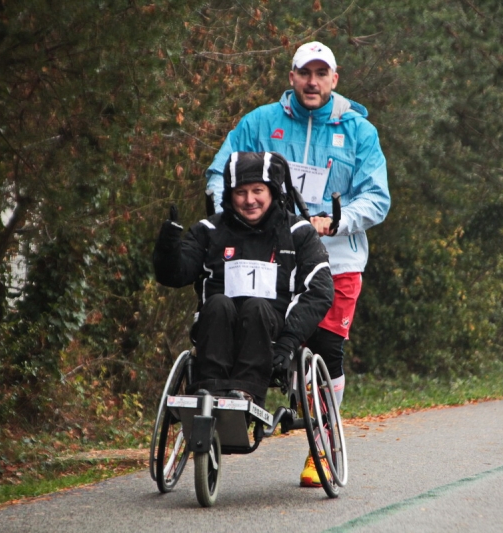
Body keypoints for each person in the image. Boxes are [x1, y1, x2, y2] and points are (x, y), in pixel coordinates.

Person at [205, 41, 390, 487]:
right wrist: (226, 219)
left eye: (321, 74)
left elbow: (377, 197)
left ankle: (320, 443)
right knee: (245, 322)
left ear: (334, 79)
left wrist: (337, 221)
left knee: (327, 348)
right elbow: (219, 173)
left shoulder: (359, 131)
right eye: (304, 73)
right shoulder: (260, 122)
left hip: (337, 256)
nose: (312, 81)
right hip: (267, 252)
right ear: (291, 77)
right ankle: (226, 405)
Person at [153, 151, 333, 409]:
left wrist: (289, 342)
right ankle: (209, 390)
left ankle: (245, 393)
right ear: (230, 194)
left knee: (256, 307)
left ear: (272, 191)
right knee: (218, 303)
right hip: (216, 327)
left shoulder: (298, 233)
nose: (249, 200)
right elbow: (174, 274)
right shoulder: (209, 230)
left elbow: (319, 291)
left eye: (257, 191)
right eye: (241, 192)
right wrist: (168, 245)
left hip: (271, 332)